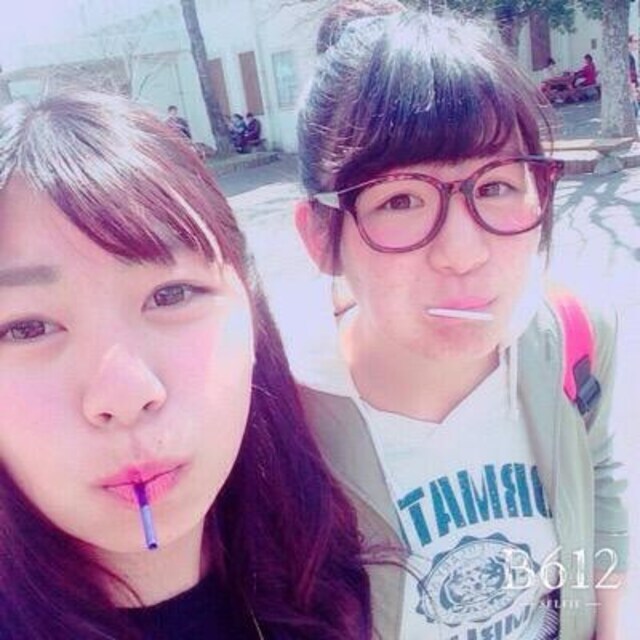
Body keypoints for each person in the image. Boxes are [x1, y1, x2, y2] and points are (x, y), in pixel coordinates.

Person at [293, 5, 628, 640]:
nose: (463, 253)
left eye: (496, 186)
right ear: (319, 237)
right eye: (400, 199)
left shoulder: (572, 338)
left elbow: (598, 480)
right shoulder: (275, 423)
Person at [0, 91, 372, 639]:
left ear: (251, 313)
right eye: (28, 328)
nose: (126, 394)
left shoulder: (338, 566)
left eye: (171, 294)